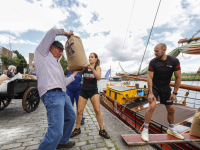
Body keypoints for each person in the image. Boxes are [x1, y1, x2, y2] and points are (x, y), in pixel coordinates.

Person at [34, 28, 81, 150]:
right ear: (50, 47)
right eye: (59, 50)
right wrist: (67, 34)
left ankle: (62, 143)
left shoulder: (57, 64)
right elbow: (52, 32)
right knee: (55, 132)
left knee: (71, 117)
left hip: (62, 93)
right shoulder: (42, 53)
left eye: (62, 51)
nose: (61, 53)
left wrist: (75, 73)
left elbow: (64, 82)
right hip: (51, 94)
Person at [141, 43, 183, 142]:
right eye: (154, 51)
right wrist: (150, 93)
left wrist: (175, 93)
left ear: (164, 50)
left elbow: (178, 77)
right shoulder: (153, 62)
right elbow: (150, 78)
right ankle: (145, 130)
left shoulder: (174, 61)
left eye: (157, 51)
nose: (155, 53)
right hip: (154, 87)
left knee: (171, 109)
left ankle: (171, 129)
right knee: (152, 106)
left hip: (165, 87)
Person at [70, 53, 110, 139]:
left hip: (93, 91)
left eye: (92, 57)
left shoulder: (97, 67)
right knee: (79, 111)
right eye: (89, 57)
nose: (90, 58)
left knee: (97, 111)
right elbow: (76, 68)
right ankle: (77, 129)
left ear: (96, 59)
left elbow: (99, 77)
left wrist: (92, 69)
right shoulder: (85, 67)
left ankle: (102, 130)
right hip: (84, 91)